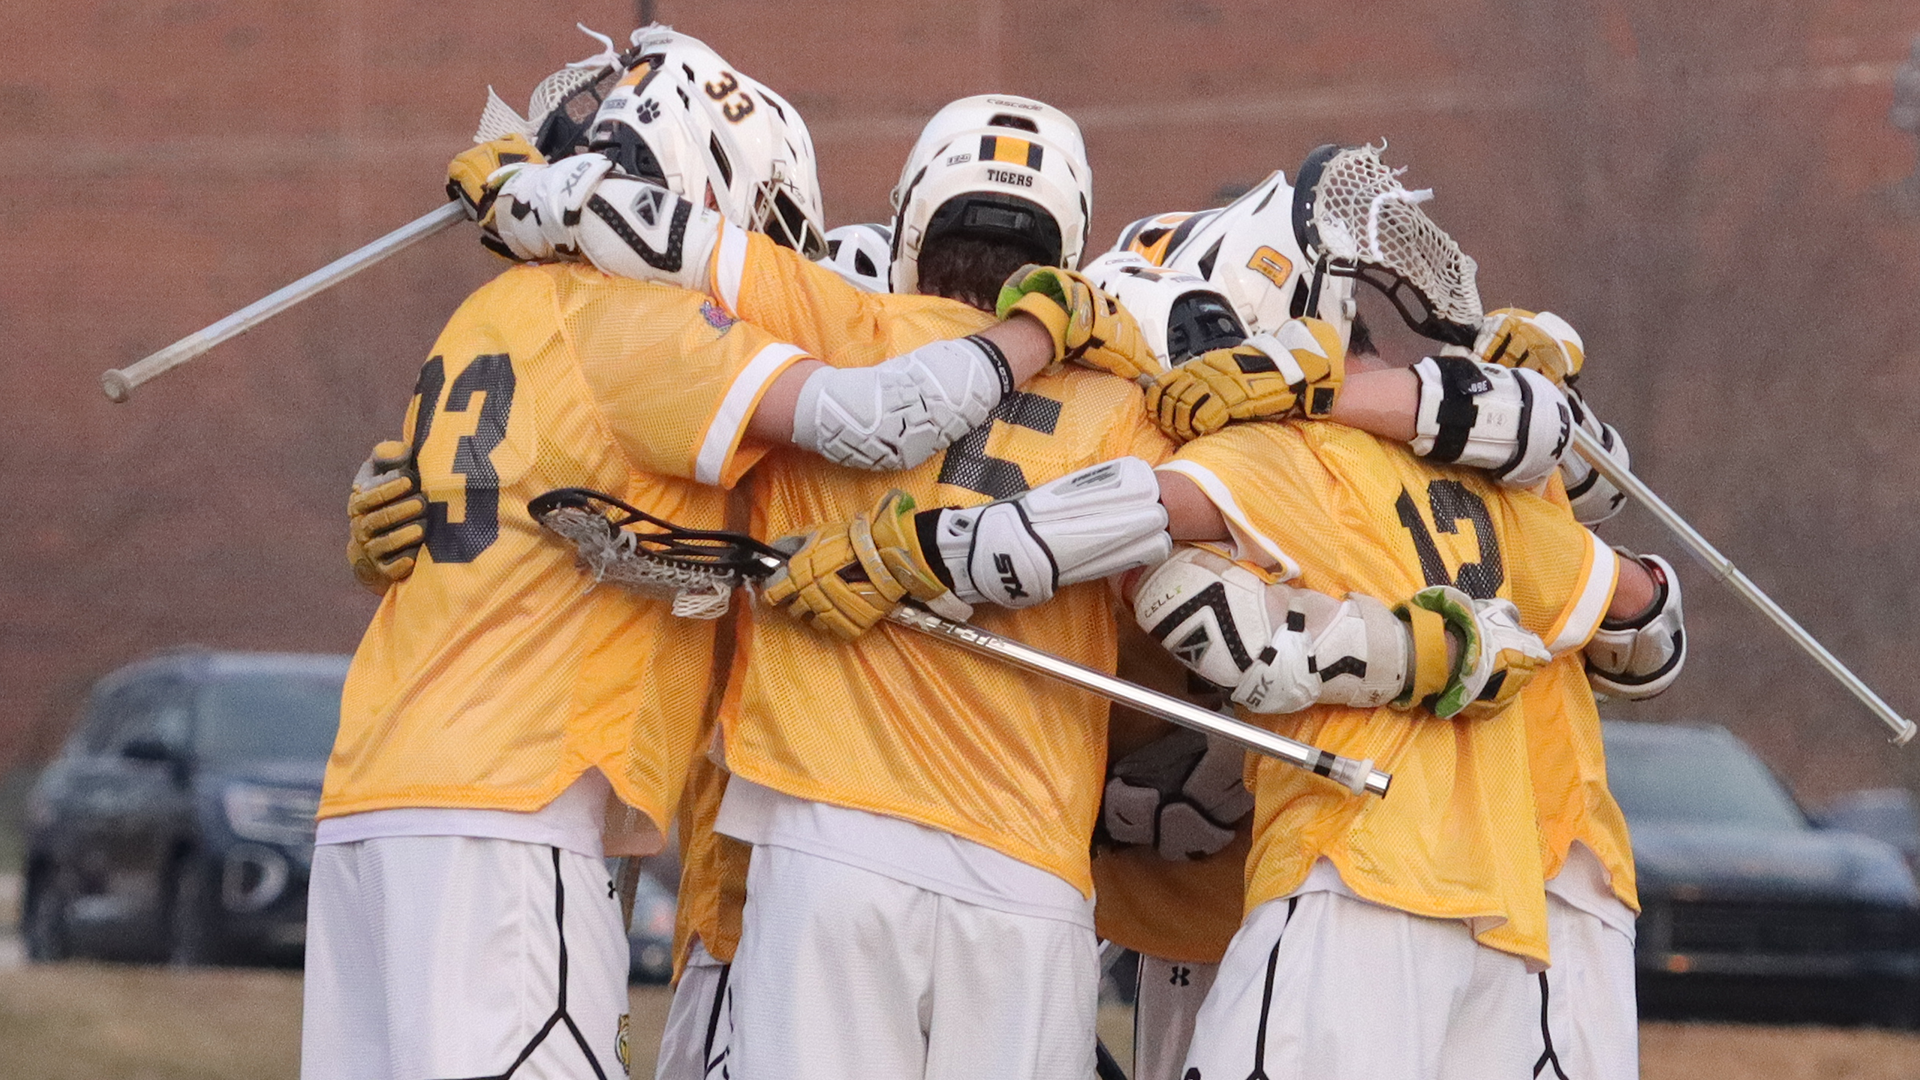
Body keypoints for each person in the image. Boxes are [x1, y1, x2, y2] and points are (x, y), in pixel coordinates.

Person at [310, 29, 1089, 1080]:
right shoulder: (643, 324)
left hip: (371, 801)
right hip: (514, 803)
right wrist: (1040, 328)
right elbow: (879, 416)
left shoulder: (486, 309)